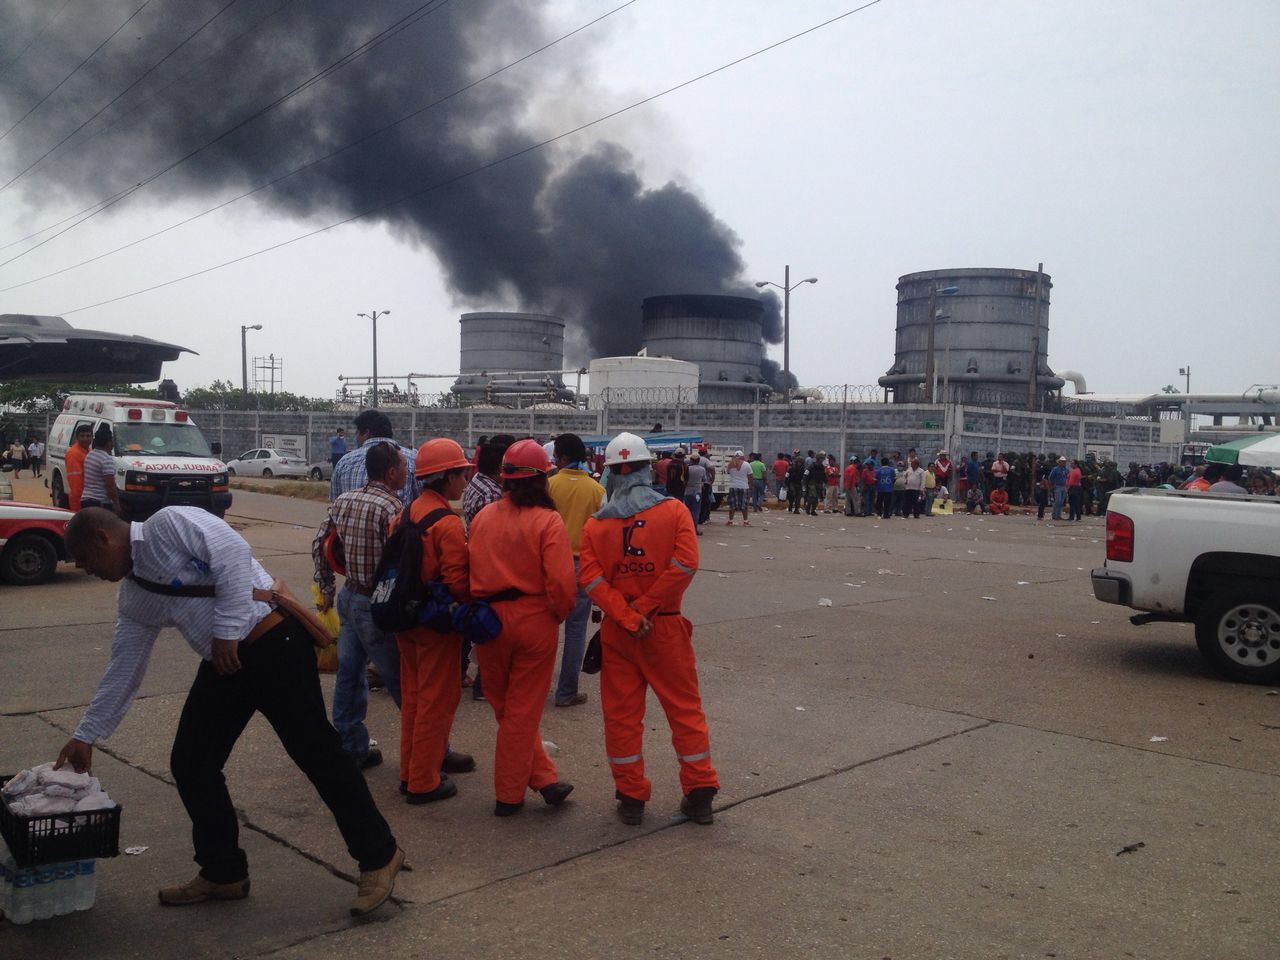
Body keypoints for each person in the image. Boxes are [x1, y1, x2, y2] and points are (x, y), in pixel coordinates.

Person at [56, 507, 405, 916]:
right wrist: (86, 734)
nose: (86, 570)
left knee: (318, 755)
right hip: (226, 664)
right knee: (192, 762)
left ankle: (379, 856)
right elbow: (125, 666)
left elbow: (234, 554)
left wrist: (225, 631)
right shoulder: (134, 597)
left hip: (274, 643)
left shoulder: (167, 525)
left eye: (85, 560)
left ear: (103, 537)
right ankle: (223, 872)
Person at [579, 432, 719, 826]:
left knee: (622, 717)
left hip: (619, 633)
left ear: (609, 473)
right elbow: (685, 565)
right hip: (666, 626)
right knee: (685, 710)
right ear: (647, 468)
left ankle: (631, 798)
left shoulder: (595, 527)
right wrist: (645, 609)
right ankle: (700, 792)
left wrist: (626, 615)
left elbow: (590, 579)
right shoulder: (674, 512)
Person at [467, 439, 577, 816]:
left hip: (488, 623)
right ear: (543, 478)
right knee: (522, 713)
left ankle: (544, 779)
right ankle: (509, 796)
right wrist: (558, 614)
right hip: (534, 621)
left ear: (506, 479)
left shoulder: (483, 518)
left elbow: (471, 571)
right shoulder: (548, 521)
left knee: (508, 709)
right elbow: (562, 584)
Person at [311, 441, 407, 770]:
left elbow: (320, 544)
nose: (406, 472)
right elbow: (400, 563)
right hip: (375, 605)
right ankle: (429, 748)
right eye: (403, 467)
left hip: (349, 598)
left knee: (349, 676)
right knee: (401, 680)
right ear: (391, 471)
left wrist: (325, 587)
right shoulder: (393, 508)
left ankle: (351, 747)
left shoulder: (344, 500)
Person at [393, 439, 474, 804]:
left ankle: (410, 770)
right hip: (435, 625)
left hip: (403, 620)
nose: (466, 479)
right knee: (435, 703)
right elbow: (457, 583)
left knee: (412, 698)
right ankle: (424, 781)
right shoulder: (448, 524)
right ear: (448, 477)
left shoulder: (404, 513)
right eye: (462, 473)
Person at [547, 433, 607, 708]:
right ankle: (566, 692)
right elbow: (602, 534)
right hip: (583, 567)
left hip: (552, 564)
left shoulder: (548, 485)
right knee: (575, 631)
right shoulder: (597, 490)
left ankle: (533, 687)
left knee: (545, 628)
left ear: (561, 457)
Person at [460, 435, 515, 702]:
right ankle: (483, 683)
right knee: (488, 623)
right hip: (488, 561)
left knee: (473, 620)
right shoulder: (493, 493)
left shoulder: (475, 484)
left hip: (474, 555)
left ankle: (461, 673)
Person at [330, 410, 417, 506]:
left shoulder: (344, 463)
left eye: (357, 433)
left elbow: (335, 503)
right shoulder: (412, 459)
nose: (356, 437)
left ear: (366, 432)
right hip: (398, 520)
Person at [80, 425, 121, 513]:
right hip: (99, 503)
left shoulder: (90, 455)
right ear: (108, 442)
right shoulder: (106, 459)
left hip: (86, 500)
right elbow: (110, 485)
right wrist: (116, 504)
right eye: (112, 441)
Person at [65, 423, 93, 511]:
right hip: (79, 501)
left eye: (88, 436)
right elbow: (75, 482)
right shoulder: (74, 454)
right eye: (82, 436)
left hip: (88, 498)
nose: (85, 438)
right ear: (77, 438)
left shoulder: (89, 451)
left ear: (92, 437)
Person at [725, 451, 753, 525]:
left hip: (733, 486)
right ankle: (745, 521)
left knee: (732, 505)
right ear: (743, 456)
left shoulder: (730, 464)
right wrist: (750, 485)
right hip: (744, 486)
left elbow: (727, 472)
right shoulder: (747, 464)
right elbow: (750, 476)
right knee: (744, 505)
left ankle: (730, 521)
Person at [683, 451, 707, 535]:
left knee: (686, 512)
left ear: (691, 460)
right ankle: (695, 529)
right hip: (697, 492)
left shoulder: (687, 468)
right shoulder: (702, 469)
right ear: (699, 460)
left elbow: (684, 480)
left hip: (687, 492)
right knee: (696, 512)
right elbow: (704, 480)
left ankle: (686, 529)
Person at [1049, 456, 1069, 520]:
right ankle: (1054, 515)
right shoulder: (1055, 469)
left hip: (1064, 486)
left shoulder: (1066, 470)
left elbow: (1068, 477)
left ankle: (1058, 515)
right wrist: (1053, 484)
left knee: (1061, 502)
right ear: (1059, 462)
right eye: (1062, 462)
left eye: (1064, 462)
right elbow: (1050, 477)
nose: (1064, 463)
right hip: (1057, 486)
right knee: (1058, 501)